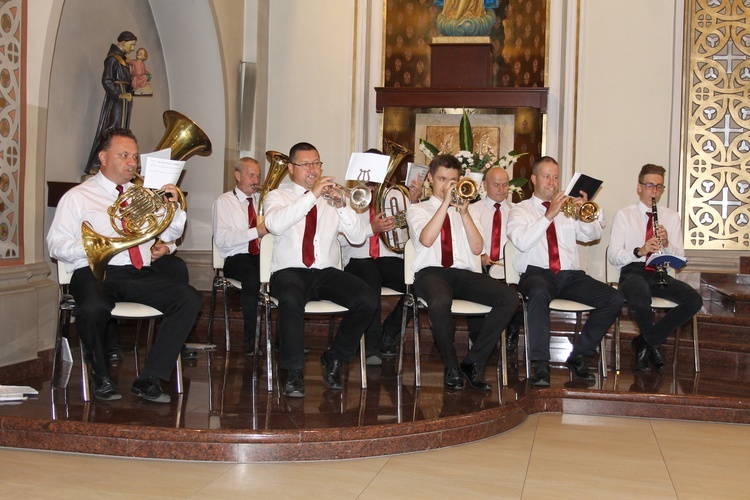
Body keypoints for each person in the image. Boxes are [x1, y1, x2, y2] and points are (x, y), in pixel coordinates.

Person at [48, 128, 201, 403]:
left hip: (137, 272)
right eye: (124, 155)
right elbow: (55, 244)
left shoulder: (143, 194)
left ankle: (150, 377)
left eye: (135, 156)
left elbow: (168, 235)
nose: (133, 162)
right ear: (103, 157)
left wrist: (174, 208)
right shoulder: (78, 196)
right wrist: (94, 248)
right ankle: (101, 376)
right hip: (95, 271)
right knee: (93, 306)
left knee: (188, 298)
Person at [263, 142, 378, 398]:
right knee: (291, 299)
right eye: (306, 165)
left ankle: (335, 357)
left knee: (367, 298)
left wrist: (341, 206)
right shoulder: (277, 196)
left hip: (326, 272)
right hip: (289, 271)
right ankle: (294, 372)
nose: (313, 169)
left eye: (316, 163)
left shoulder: (333, 198)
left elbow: (359, 236)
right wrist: (312, 195)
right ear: (291, 169)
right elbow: (274, 224)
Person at [506, 156, 623, 387]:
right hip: (537, 273)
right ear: (533, 179)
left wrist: (583, 215)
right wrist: (549, 214)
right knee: (538, 293)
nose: (552, 182)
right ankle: (541, 364)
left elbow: (591, 236)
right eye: (546, 176)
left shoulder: (568, 209)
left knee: (615, 298)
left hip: (570, 275)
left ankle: (579, 354)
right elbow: (521, 241)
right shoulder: (520, 210)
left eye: (556, 177)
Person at [406, 154, 519, 391]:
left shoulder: (469, 210)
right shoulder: (417, 210)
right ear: (430, 179)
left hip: (464, 273)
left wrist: (464, 213)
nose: (447, 184)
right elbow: (427, 239)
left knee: (509, 298)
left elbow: (478, 248)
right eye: (442, 179)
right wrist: (446, 203)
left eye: (453, 180)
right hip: (431, 273)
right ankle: (451, 367)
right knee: (440, 301)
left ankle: (472, 362)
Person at [608, 164, 702, 371]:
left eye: (659, 187)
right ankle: (653, 344)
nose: (654, 191)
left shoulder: (671, 216)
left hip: (660, 272)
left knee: (694, 300)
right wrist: (639, 251)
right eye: (650, 185)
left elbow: (680, 258)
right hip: (633, 271)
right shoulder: (625, 215)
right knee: (640, 301)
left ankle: (646, 342)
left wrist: (667, 244)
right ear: (639, 187)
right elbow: (613, 256)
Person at [212, 157, 268, 357]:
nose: (256, 179)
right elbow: (222, 240)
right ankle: (250, 342)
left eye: (258, 175)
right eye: (251, 175)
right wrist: (256, 232)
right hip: (236, 258)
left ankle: (281, 341)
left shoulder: (262, 201)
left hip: (260, 256)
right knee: (252, 278)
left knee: (286, 275)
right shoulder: (224, 202)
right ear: (237, 176)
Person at [468, 166, 524, 354]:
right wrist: (479, 256)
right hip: (482, 269)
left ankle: (511, 334)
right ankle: (479, 340)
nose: (501, 190)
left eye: (505, 185)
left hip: (509, 269)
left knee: (527, 289)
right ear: (485, 185)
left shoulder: (518, 211)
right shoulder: (472, 210)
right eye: (496, 185)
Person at [85, 32, 138, 175]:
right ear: (123, 42)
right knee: (111, 131)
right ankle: (96, 164)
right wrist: (119, 94)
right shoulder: (112, 59)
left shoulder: (123, 60)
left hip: (124, 100)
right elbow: (107, 80)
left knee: (122, 132)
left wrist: (133, 90)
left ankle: (114, 166)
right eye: (131, 44)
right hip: (116, 100)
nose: (133, 48)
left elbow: (127, 82)